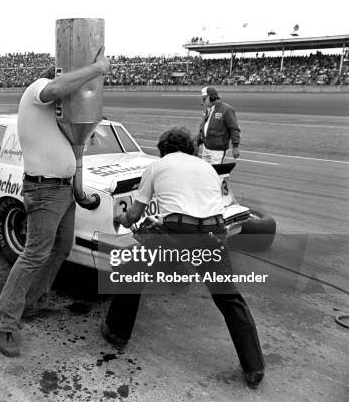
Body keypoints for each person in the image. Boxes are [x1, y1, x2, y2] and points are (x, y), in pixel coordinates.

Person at [103, 128, 265, 389]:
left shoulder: (158, 166)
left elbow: (134, 215)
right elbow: (201, 207)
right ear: (189, 149)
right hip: (214, 233)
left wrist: (122, 219)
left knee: (131, 271)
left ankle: (116, 333)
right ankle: (254, 367)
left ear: (163, 149)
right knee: (229, 298)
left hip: (178, 231)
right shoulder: (207, 168)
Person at [0, 48, 111, 357]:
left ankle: (28, 303)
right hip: (44, 189)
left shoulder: (53, 115)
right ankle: (3, 321)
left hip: (63, 190)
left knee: (61, 248)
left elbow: (75, 151)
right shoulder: (36, 90)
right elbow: (59, 87)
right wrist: (96, 67)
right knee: (34, 255)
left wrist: (79, 190)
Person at [196, 86, 240, 164]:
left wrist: (235, 147)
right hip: (206, 148)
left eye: (204, 99)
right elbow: (203, 126)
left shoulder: (227, 110)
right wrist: (198, 141)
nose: (202, 102)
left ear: (212, 98)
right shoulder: (207, 108)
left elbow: (234, 129)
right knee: (206, 172)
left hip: (217, 151)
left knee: (215, 173)